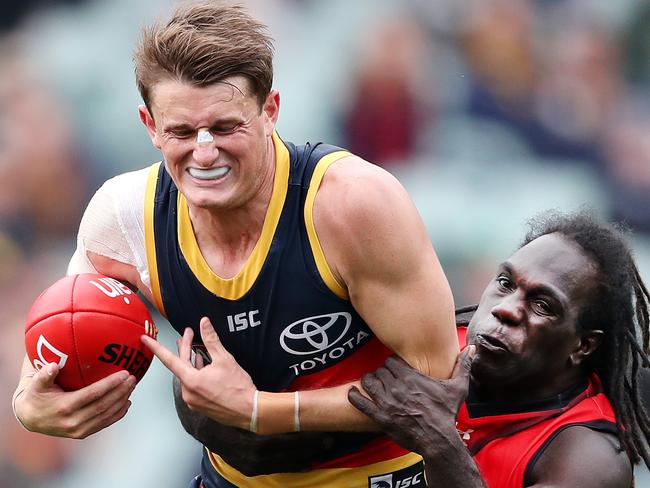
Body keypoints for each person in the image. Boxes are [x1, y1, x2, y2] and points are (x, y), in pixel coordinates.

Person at [11, 2, 459, 487]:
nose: (204, 153)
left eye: (226, 127)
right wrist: (29, 405)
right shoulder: (122, 219)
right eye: (181, 131)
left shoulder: (352, 204)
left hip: (386, 474)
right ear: (149, 125)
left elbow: (438, 385)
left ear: (270, 110)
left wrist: (259, 410)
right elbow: (63, 331)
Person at [349, 210, 650, 487]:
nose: (505, 309)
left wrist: (440, 444)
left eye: (542, 305)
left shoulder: (587, 458)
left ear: (582, 345)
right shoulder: (427, 344)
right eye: (506, 283)